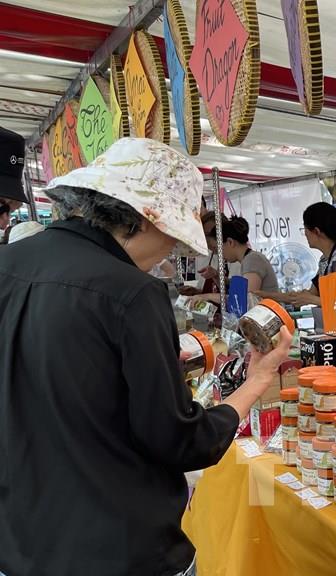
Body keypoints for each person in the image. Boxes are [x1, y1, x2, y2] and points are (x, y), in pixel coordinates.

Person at [0, 138, 291, 576]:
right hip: (120, 549)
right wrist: (257, 380)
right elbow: (178, 440)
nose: (170, 253)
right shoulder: (132, 294)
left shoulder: (9, 263)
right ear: (147, 220)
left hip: (19, 541)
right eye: (174, 239)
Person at [258, 201, 336, 306]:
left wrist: (311, 300)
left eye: (305, 229)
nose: (305, 234)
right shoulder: (326, 260)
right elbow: (307, 295)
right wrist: (262, 294)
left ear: (316, 231)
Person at [192, 215, 279, 305]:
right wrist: (216, 275)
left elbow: (246, 300)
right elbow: (235, 291)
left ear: (230, 242)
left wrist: (206, 296)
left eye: (219, 249)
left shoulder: (253, 259)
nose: (219, 254)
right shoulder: (248, 259)